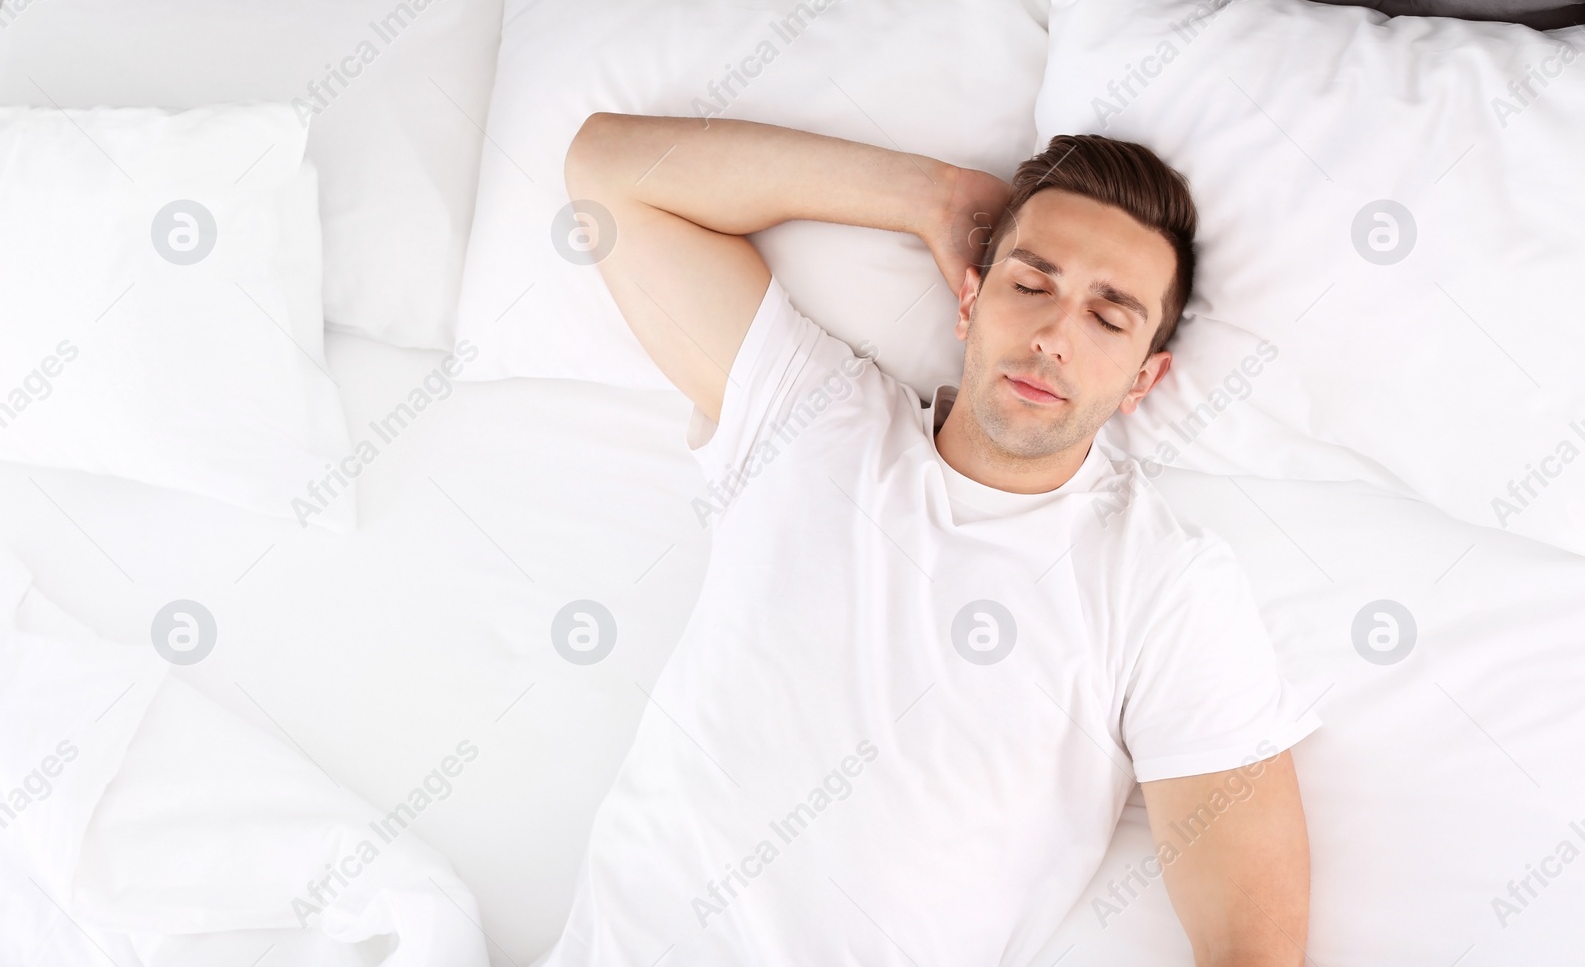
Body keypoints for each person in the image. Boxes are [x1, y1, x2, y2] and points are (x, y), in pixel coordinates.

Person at [544, 113, 1323, 966]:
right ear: (969, 298)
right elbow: (612, 172)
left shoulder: (1165, 584)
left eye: (1109, 316)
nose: (1054, 335)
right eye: (1030, 284)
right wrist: (933, 196)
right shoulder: (811, 417)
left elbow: (1254, 947)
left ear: (1145, 378)